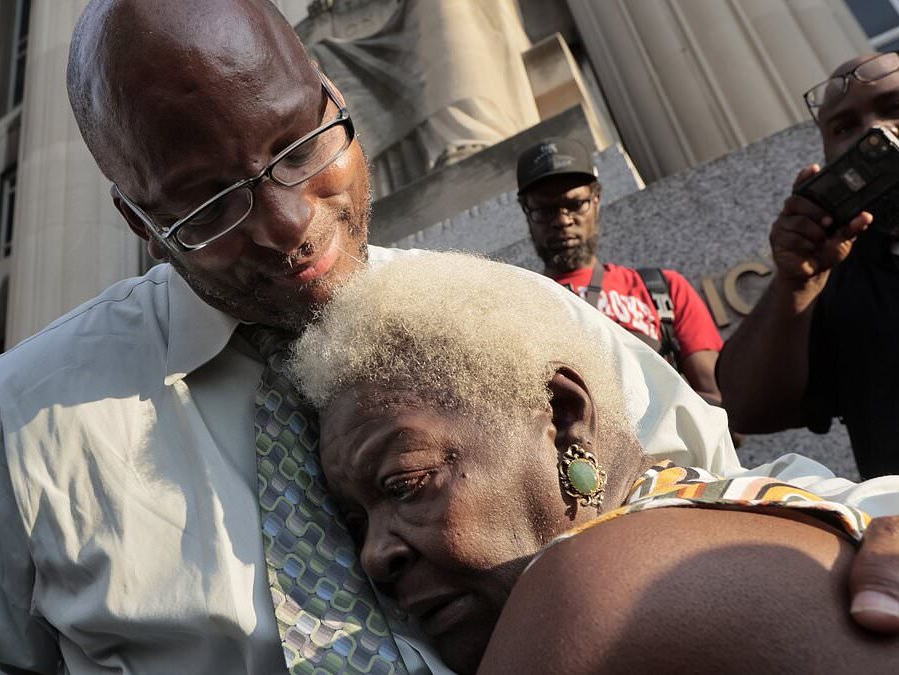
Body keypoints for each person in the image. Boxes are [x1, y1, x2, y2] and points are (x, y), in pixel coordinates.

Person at [0, 2, 899, 672]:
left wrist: (876, 522)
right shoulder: (21, 423)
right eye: (205, 206)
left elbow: (717, 487)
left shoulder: (518, 316)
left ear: (336, 101)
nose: (289, 224)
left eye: (299, 147)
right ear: (137, 223)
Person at [290, 251, 899, 674]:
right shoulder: (762, 518)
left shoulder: (590, 585)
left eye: (407, 484)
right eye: (353, 521)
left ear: (560, 415)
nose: (374, 556)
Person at [718, 52, 899, 479]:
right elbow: (747, 407)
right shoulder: (836, 278)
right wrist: (795, 285)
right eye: (844, 127)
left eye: (894, 109)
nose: (872, 132)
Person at [517, 137, 725, 404]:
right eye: (545, 210)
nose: (563, 220)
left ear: (597, 199)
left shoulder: (663, 290)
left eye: (575, 204)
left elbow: (725, 412)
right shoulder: (522, 310)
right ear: (526, 211)